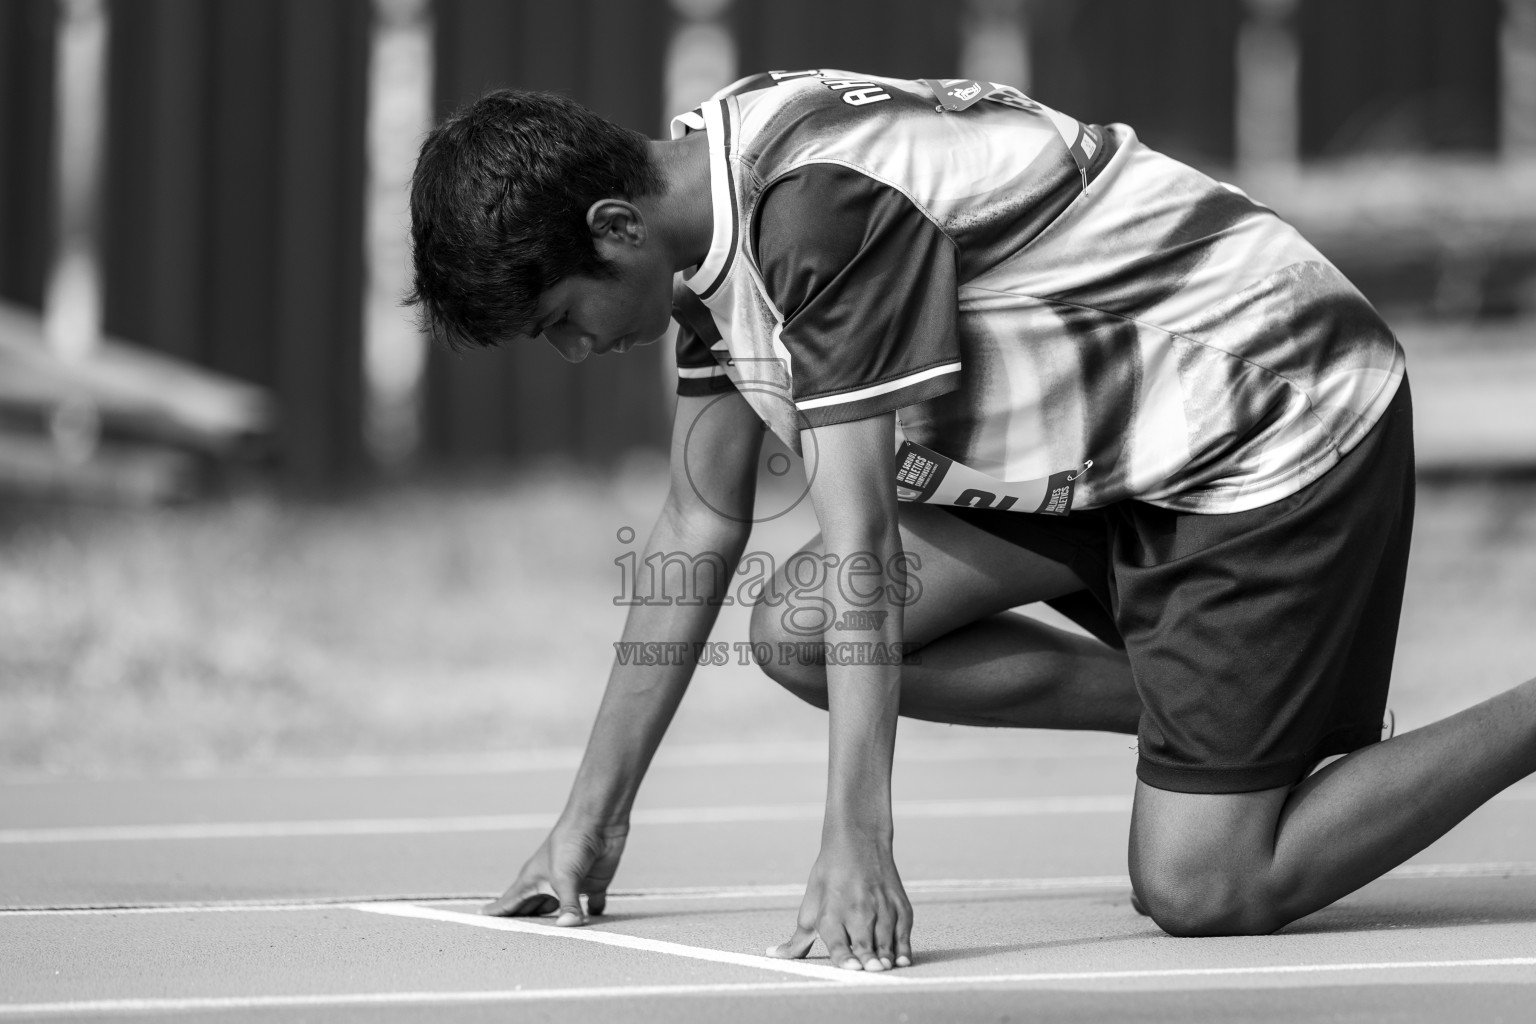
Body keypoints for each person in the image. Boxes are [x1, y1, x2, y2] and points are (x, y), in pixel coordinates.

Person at [406, 70, 1536, 972]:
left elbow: (864, 542)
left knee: (1204, 888)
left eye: (559, 319)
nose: (572, 348)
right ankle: (1237, 721)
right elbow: (696, 524)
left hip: (1273, 421)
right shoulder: (702, 218)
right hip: (1113, 454)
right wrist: (590, 827)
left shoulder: (812, 212)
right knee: (795, 630)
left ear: (613, 225)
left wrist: (858, 839)